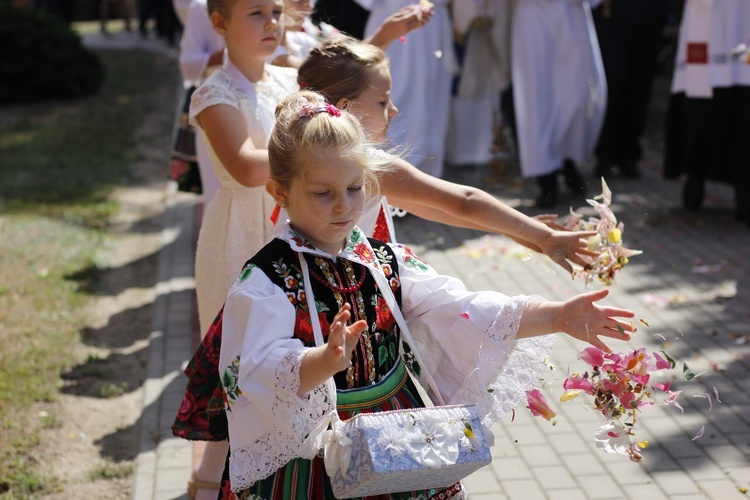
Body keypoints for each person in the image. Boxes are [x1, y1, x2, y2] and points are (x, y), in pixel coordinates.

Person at [217, 89, 636, 498]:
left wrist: (557, 315)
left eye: (355, 188)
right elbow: (256, 370)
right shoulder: (267, 280)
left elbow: (459, 309)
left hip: (395, 438)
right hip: (314, 453)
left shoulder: (383, 261)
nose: (344, 206)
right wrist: (321, 361)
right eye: (323, 194)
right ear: (280, 193)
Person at [511, 0, 607, 208]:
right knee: (537, 98)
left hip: (570, 16)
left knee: (576, 97)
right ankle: (546, 177)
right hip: (535, 18)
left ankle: (567, 159)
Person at [663, 0, 750, 225]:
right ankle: (695, 180)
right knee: (702, 111)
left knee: (743, 113)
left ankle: (744, 194)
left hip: (743, 21)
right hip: (707, 23)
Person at [355, 0, 455, 178]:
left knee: (431, 103)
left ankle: (429, 175)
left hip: (434, 23)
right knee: (394, 95)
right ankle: (390, 172)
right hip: (394, 20)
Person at [592, 0, 670, 179]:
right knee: (613, 85)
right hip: (611, 16)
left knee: (639, 87)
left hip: (647, 17)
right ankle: (605, 154)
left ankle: (629, 156)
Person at [178, 0, 226, 204]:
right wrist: (235, 52)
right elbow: (188, 66)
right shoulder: (201, 7)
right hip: (217, 108)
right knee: (218, 193)